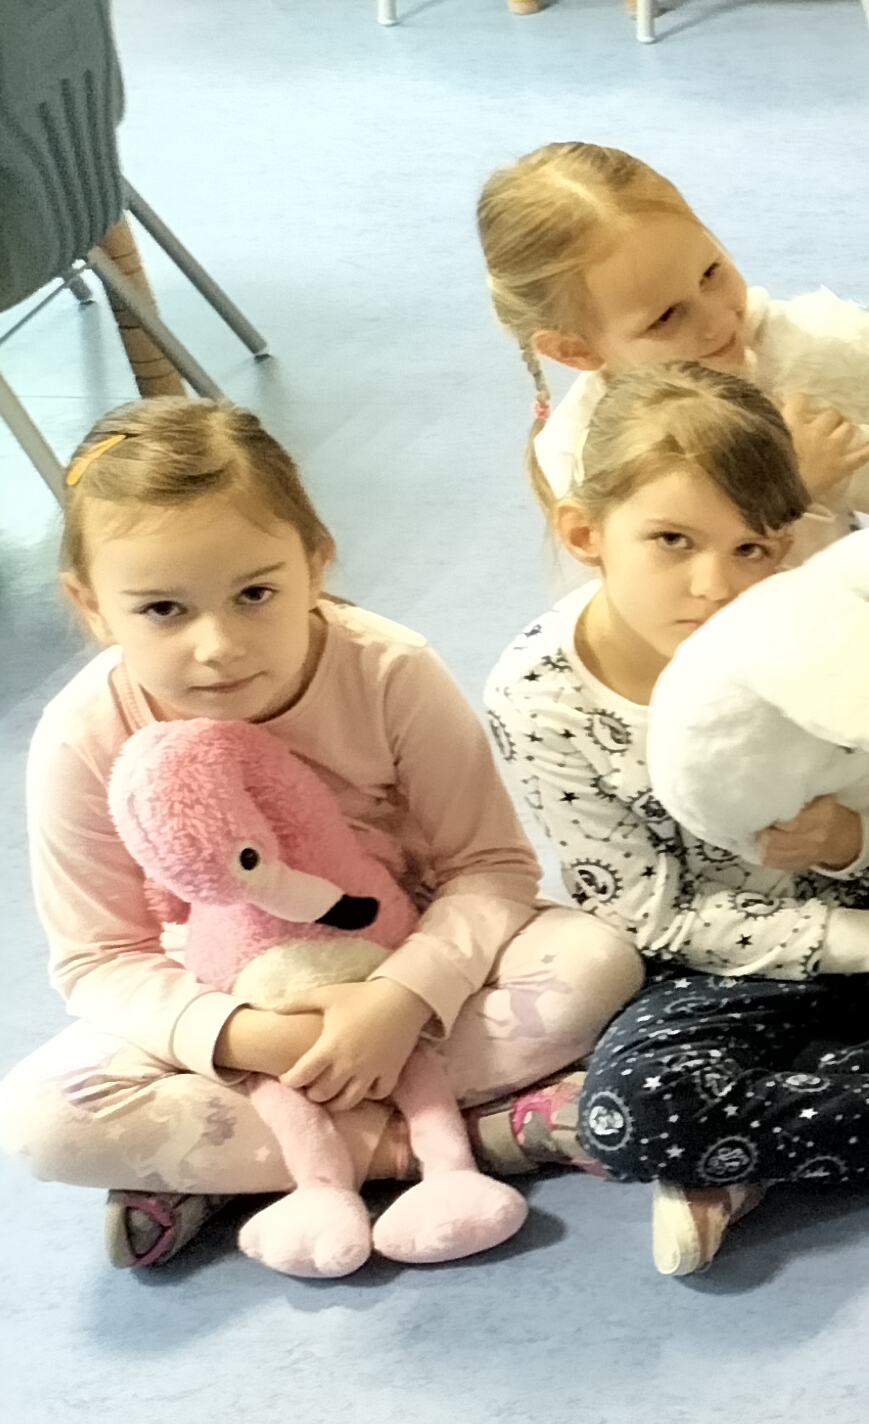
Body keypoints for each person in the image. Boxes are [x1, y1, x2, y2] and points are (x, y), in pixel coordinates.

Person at [5, 401, 641, 1270]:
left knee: (596, 962)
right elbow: (99, 958)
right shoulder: (82, 734)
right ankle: (468, 1138)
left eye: (255, 594)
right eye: (162, 609)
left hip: (404, 956)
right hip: (228, 998)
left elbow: (489, 866)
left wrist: (399, 1001)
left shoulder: (389, 669)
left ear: (315, 563)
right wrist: (250, 1037)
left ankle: (235, 1167)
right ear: (92, 608)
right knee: (41, 1125)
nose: (218, 645)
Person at [479, 366, 869, 1275]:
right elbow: (647, 914)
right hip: (719, 973)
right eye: (672, 541)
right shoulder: (538, 696)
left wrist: (852, 843)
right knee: (637, 1111)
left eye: (751, 550)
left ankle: (772, 1129)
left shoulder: (807, 623)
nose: (715, 585)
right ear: (585, 532)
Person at [480, 140, 869, 560]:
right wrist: (784, 487)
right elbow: (668, 617)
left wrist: (843, 457)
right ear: (575, 351)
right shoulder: (586, 454)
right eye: (666, 317)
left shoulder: (785, 346)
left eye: (711, 272)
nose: (719, 322)